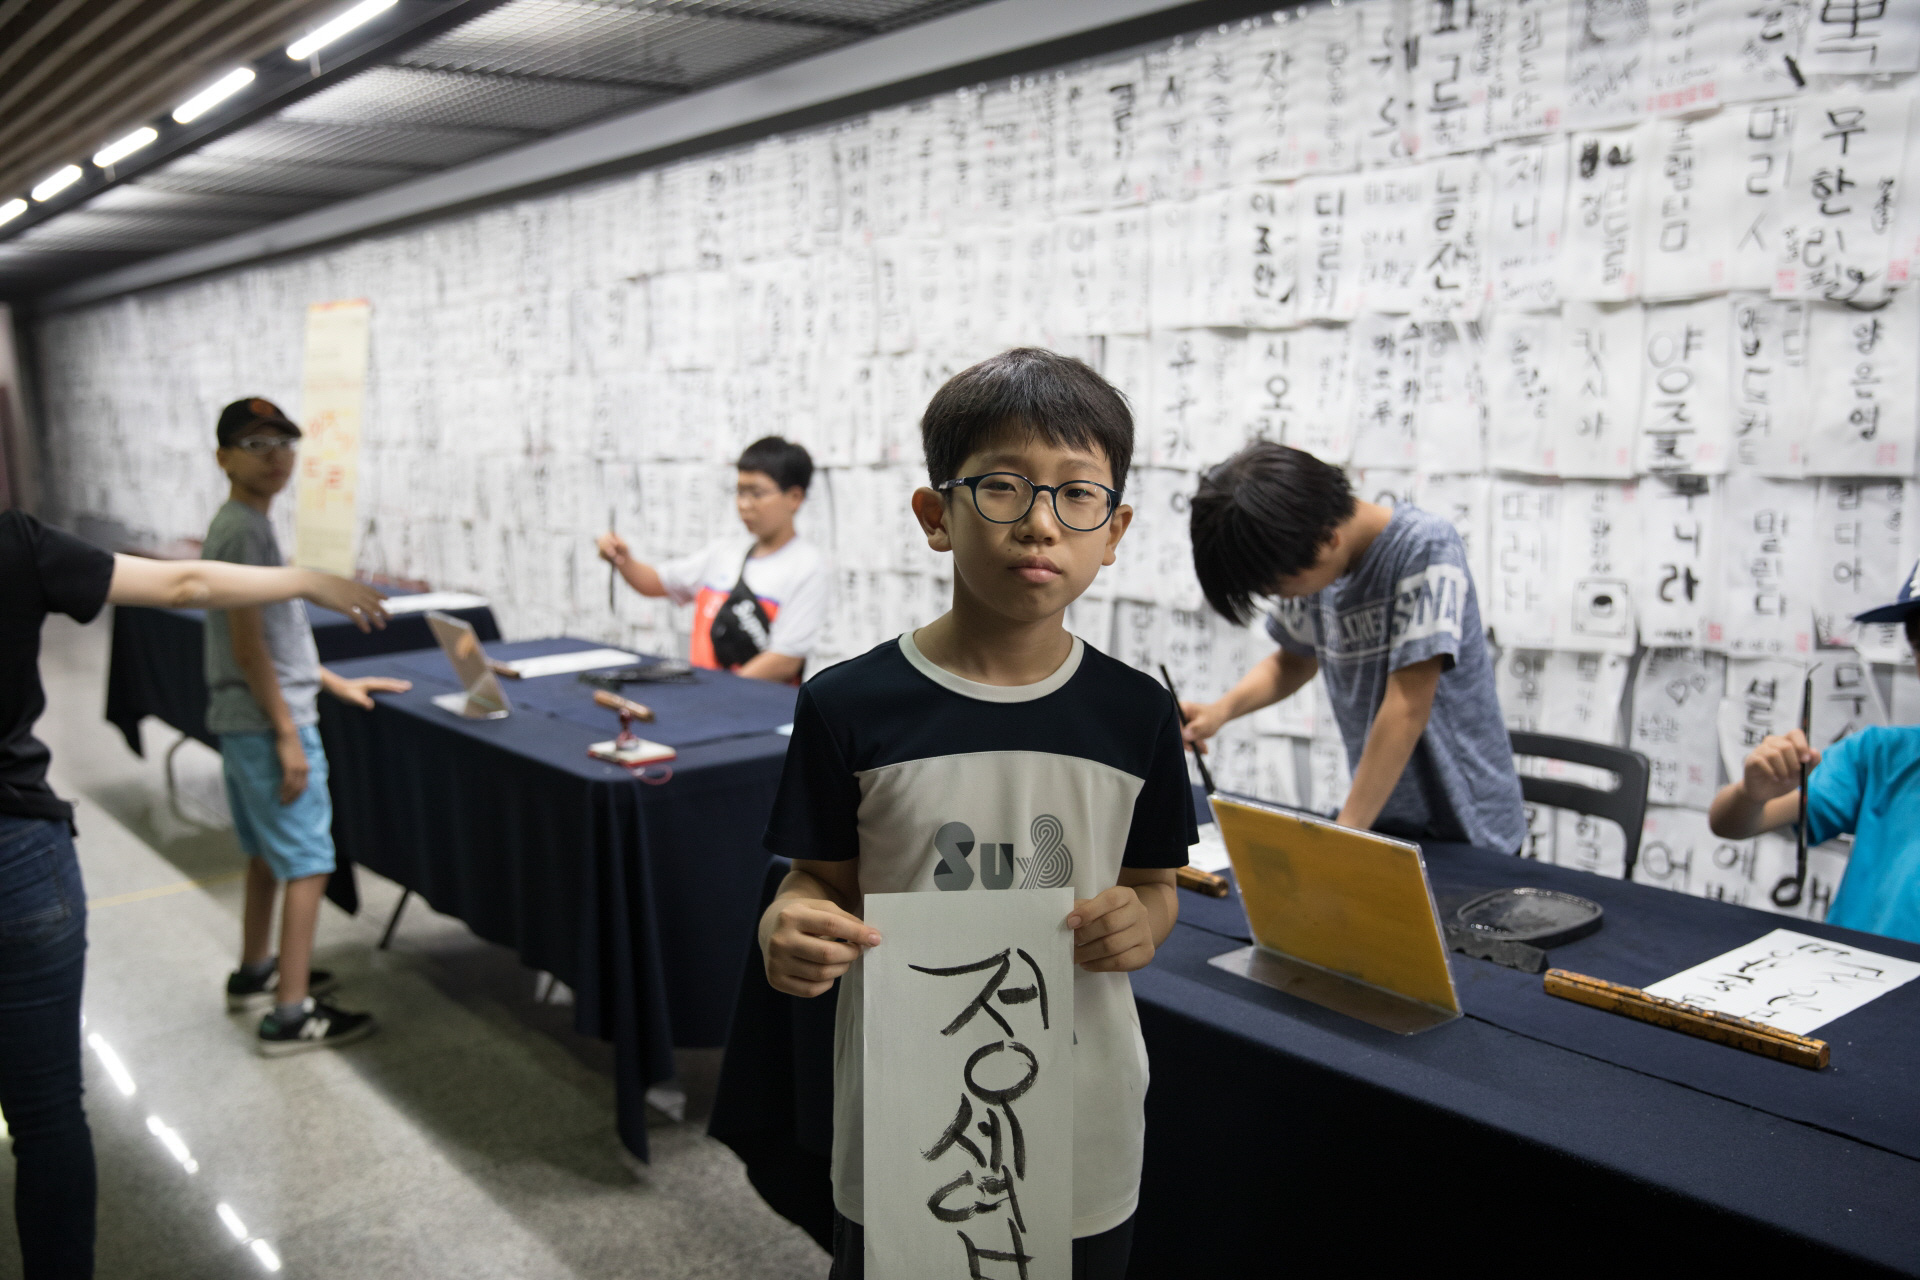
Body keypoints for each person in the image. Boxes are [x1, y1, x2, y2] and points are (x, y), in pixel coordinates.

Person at [757, 349, 1193, 1279]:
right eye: (1002, 486)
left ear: (1114, 529)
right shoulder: (848, 706)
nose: (1041, 523)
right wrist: (787, 922)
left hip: (1081, 1102)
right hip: (907, 1110)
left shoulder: (1137, 714)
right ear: (935, 515)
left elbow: (1155, 886)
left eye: (1077, 494)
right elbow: (817, 882)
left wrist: (1143, 921)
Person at [2, 504, 388, 1280]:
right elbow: (183, 585)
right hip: (17, 852)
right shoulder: (15, 543)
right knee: (46, 1116)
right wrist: (306, 580)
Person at [1181, 442, 1525, 853]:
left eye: (1276, 587)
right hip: (1386, 817)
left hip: (1467, 821)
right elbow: (1293, 661)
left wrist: (1343, 836)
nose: (1278, 597)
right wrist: (1221, 711)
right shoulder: (1314, 559)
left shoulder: (1424, 547)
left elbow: (1407, 706)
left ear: (1328, 539)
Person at [202, 397, 410, 1054]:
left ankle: (257, 970)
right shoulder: (243, 533)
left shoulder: (245, 527)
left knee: (268, 853)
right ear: (224, 458)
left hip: (250, 719)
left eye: (283, 443)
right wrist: (288, 734)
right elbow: (248, 648)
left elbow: (271, 638)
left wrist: (334, 682)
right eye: (255, 445)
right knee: (310, 861)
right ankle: (290, 1014)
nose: (274, 457)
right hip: (267, 725)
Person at [1709, 562, 1920, 944]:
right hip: (1854, 967)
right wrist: (1751, 794)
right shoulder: (1879, 755)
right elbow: (1730, 823)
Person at [595, 436, 830, 684]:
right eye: (740, 492)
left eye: (756, 493)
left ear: (794, 497)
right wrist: (621, 559)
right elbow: (655, 583)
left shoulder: (806, 566)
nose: (744, 504)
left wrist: (718, 693)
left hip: (756, 704)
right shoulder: (725, 552)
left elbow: (785, 660)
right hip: (706, 699)